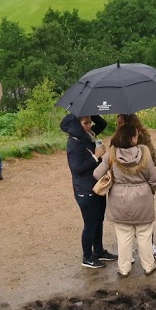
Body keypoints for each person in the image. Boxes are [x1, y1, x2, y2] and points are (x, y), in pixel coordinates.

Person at [93, 114, 156, 278]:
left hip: (119, 202)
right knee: (144, 235)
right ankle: (149, 266)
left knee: (123, 236)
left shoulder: (111, 154)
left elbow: (96, 174)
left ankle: (124, 268)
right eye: (136, 135)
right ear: (132, 139)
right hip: (142, 200)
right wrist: (148, 192)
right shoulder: (144, 153)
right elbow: (154, 179)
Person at [61, 111, 111, 268]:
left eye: (90, 122)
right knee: (90, 223)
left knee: (99, 220)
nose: (89, 126)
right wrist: (95, 157)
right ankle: (87, 257)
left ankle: (98, 251)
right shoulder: (74, 143)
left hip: (96, 186)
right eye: (85, 123)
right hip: (84, 190)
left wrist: (90, 110)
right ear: (77, 125)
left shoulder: (87, 135)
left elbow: (102, 124)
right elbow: (77, 169)